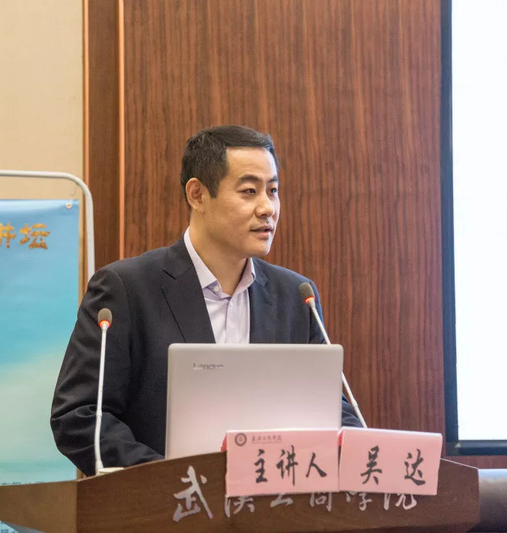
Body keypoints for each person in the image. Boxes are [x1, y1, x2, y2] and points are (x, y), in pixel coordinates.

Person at [51, 125, 360, 474]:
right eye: (249, 191)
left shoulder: (296, 296)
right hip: (166, 501)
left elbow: (330, 410)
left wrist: (364, 451)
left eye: (273, 191)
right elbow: (78, 415)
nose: (267, 208)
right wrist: (166, 479)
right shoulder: (127, 289)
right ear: (197, 195)